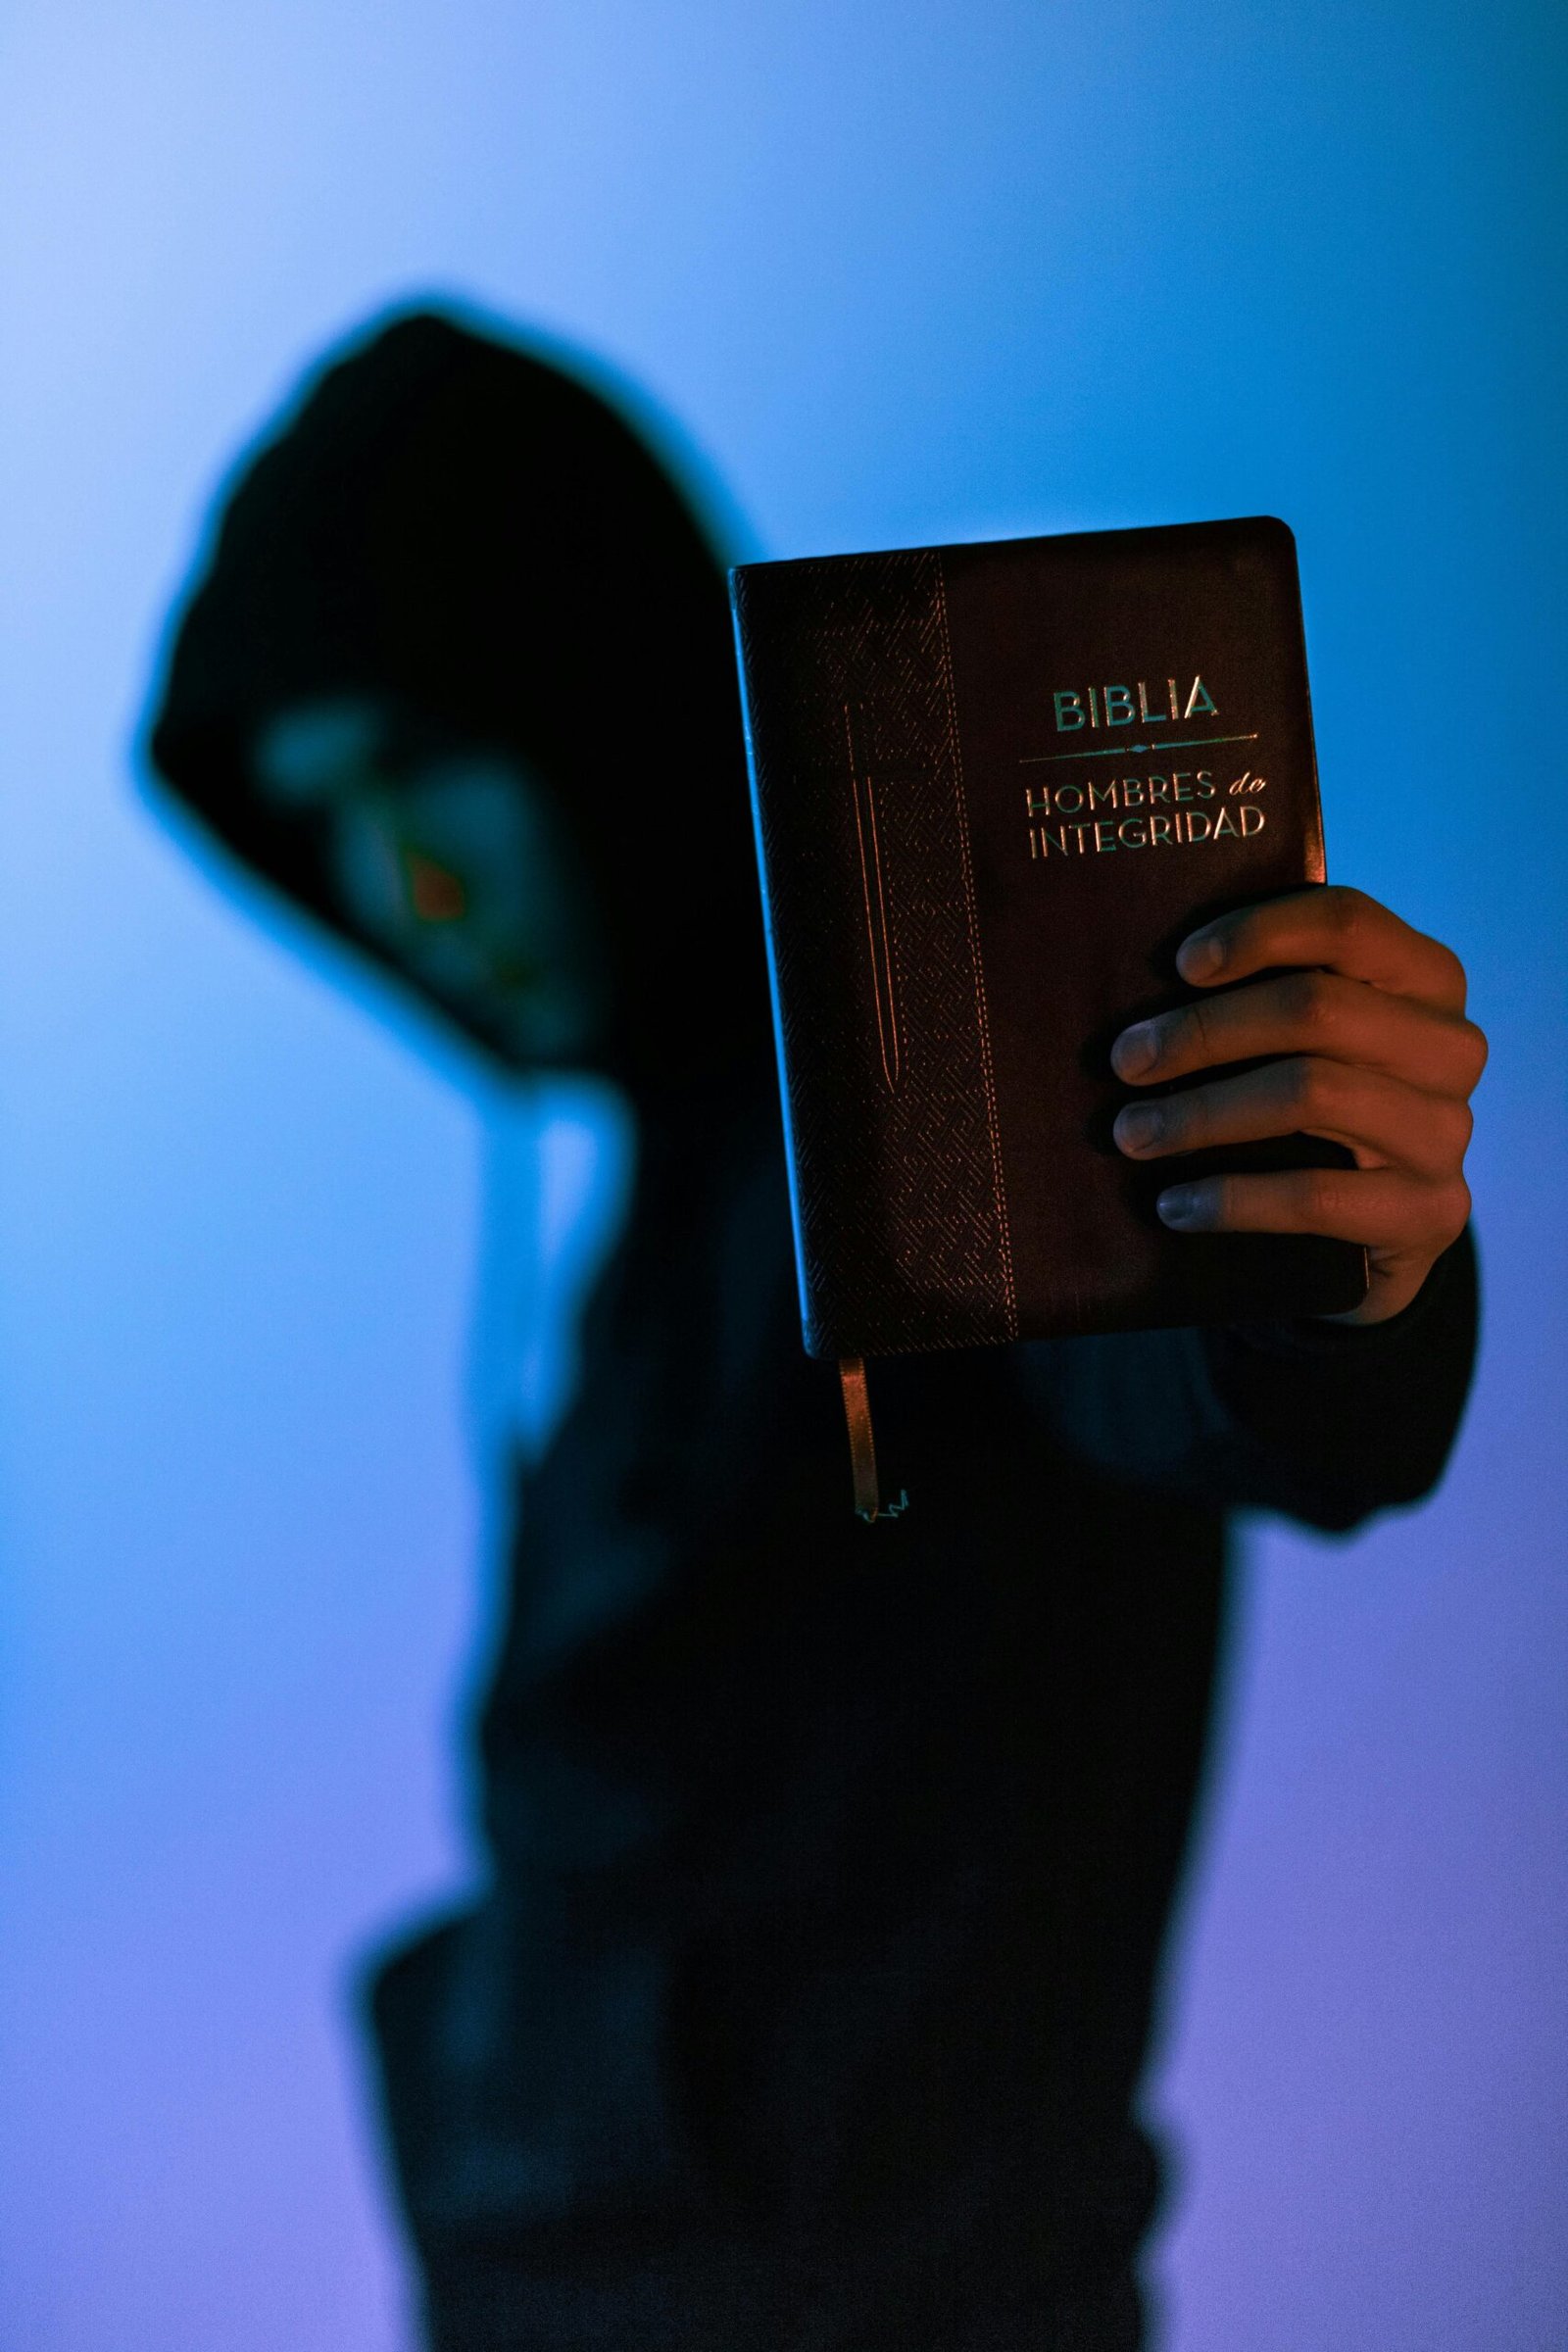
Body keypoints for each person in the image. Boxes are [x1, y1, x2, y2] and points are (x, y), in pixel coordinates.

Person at [144, 307, 1483, 2351]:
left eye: (423, 760)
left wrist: (1338, 1256)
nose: (404, 889)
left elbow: (1205, 1363)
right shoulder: (673, 1170)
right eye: (322, 817)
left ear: (592, 685)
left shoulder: (924, 1072)